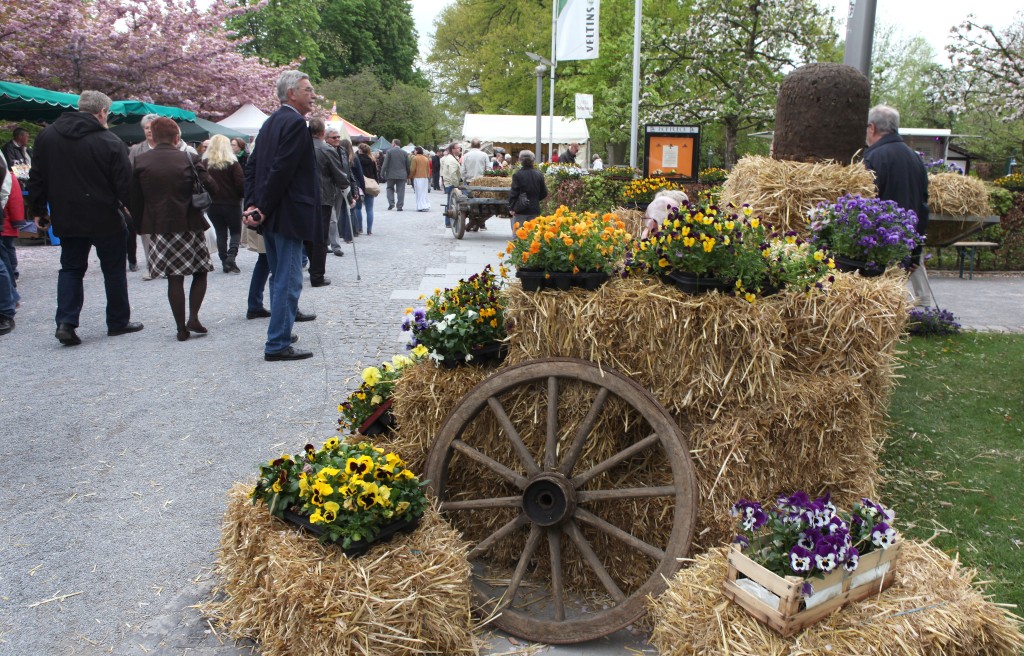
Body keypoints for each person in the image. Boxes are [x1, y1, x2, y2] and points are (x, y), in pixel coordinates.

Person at [28, 90, 143, 347]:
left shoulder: (47, 137)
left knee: (71, 268)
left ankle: (66, 322)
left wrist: (37, 210)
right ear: (102, 112)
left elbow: (37, 177)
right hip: (104, 215)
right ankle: (117, 321)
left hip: (67, 214)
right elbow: (125, 185)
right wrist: (136, 213)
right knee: (113, 270)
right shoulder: (110, 141)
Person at [242, 70, 321, 361]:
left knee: (280, 277)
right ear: (292, 93)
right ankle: (277, 343)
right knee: (288, 279)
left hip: (274, 213)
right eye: (308, 89)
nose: (313, 95)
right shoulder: (295, 123)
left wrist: (253, 204)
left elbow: (253, 166)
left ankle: (281, 331)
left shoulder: (271, 122)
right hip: (286, 213)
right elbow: (282, 170)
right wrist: (260, 207)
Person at [130, 118, 214, 342]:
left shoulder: (140, 161)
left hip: (160, 226)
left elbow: (134, 198)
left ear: (153, 137)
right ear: (177, 137)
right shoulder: (189, 158)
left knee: (173, 277)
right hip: (190, 223)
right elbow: (210, 185)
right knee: (200, 271)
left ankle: (180, 328)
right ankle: (193, 317)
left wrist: (140, 226)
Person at [863, 104, 931, 306]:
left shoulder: (872, 158)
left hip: (878, 248)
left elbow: (864, 204)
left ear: (872, 127)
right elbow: (923, 206)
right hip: (906, 246)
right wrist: (915, 253)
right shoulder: (915, 159)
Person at [309, 118, 348, 286]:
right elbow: (340, 175)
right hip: (322, 197)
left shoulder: (300, 147)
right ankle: (317, 275)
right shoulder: (326, 150)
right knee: (320, 237)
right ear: (322, 133)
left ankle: (312, 268)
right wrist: (345, 184)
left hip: (303, 197)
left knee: (307, 236)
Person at [203, 134, 245, 274]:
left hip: (213, 204)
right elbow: (240, 183)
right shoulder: (233, 163)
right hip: (232, 202)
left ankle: (224, 260)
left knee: (220, 232)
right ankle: (231, 257)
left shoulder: (205, 163)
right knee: (235, 231)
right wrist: (241, 196)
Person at [508, 150, 548, 227]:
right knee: (533, 232)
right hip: (534, 209)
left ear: (520, 160)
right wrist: (535, 199)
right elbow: (544, 193)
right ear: (533, 160)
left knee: (519, 232)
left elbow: (514, 193)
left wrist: (511, 208)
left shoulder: (517, 175)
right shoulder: (539, 175)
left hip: (520, 210)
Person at [340, 138, 365, 236]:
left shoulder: (337, 157)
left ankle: (342, 232)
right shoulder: (354, 158)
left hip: (341, 184)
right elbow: (360, 174)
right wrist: (362, 188)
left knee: (342, 209)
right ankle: (351, 232)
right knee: (352, 209)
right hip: (353, 185)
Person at [380, 139, 409, 211]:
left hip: (391, 174)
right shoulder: (404, 153)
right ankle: (399, 206)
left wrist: (382, 173)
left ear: (394, 144)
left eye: (392, 143)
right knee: (401, 191)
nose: (391, 144)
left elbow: (385, 164)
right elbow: (407, 165)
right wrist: (408, 174)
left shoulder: (389, 152)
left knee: (389, 188)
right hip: (402, 175)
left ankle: (391, 203)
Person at [356, 143, 378, 235]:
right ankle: (369, 230)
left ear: (360, 150)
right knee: (369, 209)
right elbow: (375, 174)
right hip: (370, 185)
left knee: (358, 208)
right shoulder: (372, 160)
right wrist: (376, 184)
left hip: (358, 185)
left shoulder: (355, 159)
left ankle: (359, 228)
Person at [440, 143, 463, 228]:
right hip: (451, 184)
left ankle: (448, 222)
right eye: (458, 148)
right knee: (450, 203)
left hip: (450, 183)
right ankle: (448, 222)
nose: (459, 149)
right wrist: (456, 185)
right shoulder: (451, 159)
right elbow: (452, 174)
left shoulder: (453, 158)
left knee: (450, 202)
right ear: (453, 149)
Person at [409, 146, 431, 212]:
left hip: (417, 177)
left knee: (418, 192)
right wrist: (427, 176)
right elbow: (428, 169)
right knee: (424, 192)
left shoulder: (415, 158)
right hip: (425, 177)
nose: (414, 152)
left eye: (415, 150)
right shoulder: (426, 158)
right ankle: (426, 205)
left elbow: (412, 169)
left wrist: (410, 176)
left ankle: (420, 206)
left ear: (417, 151)